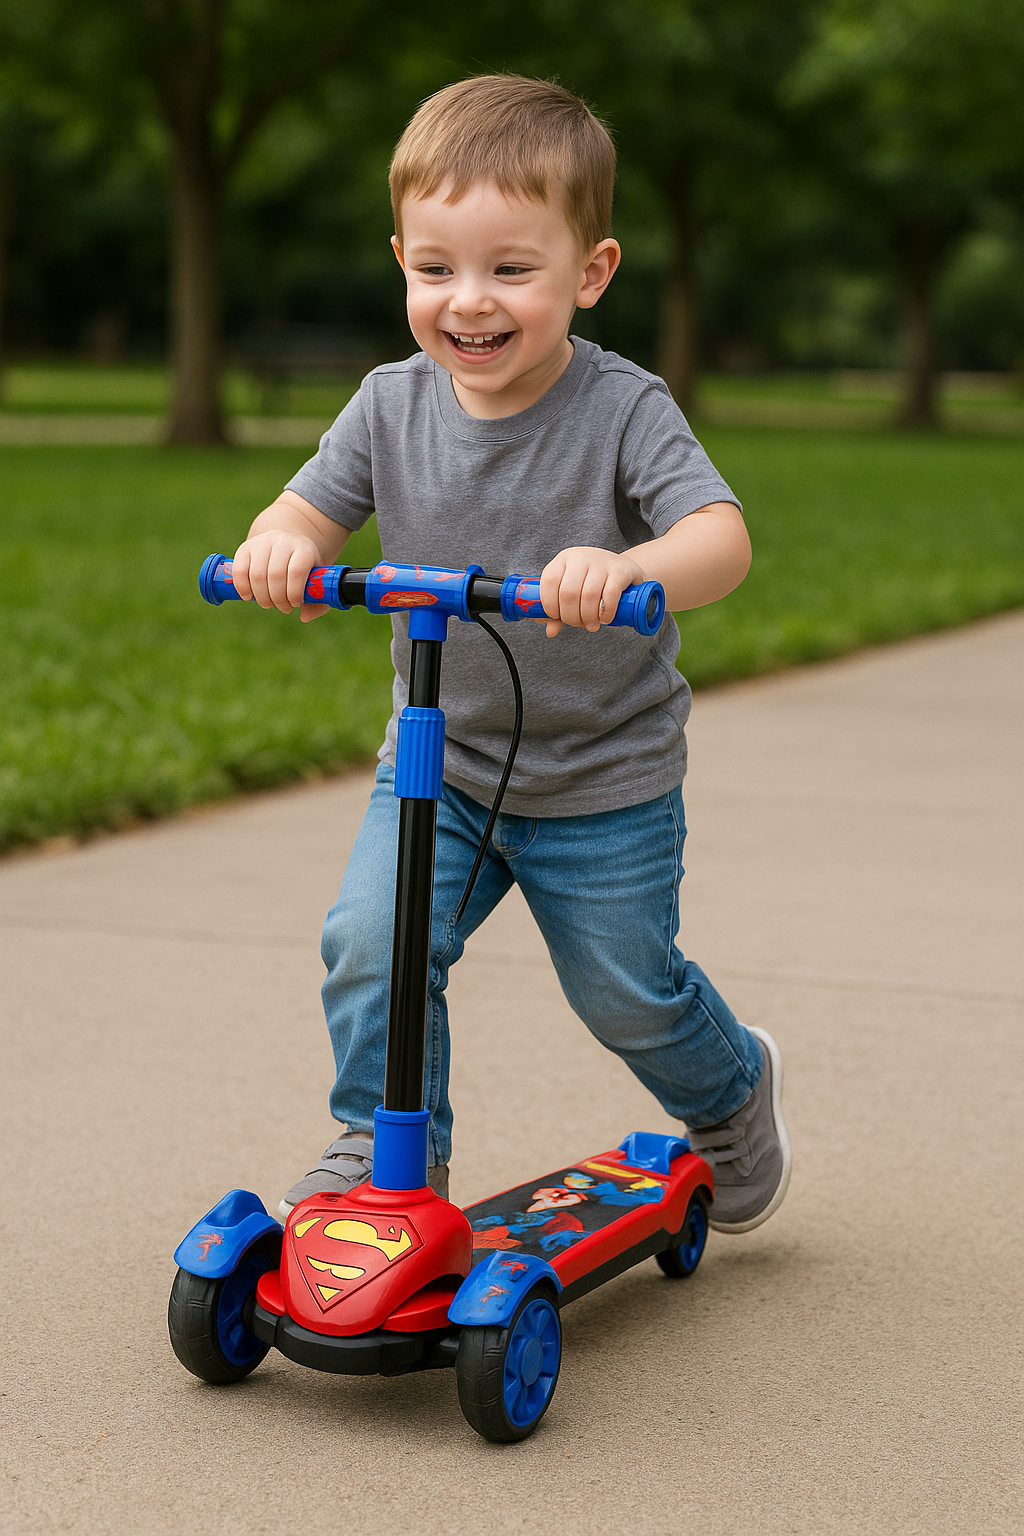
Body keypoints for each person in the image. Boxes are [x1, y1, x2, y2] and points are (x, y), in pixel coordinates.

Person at [229, 74, 791, 1235]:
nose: (467, 302)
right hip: (445, 764)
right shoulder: (387, 407)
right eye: (435, 270)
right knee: (370, 947)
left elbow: (720, 539)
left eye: (509, 270)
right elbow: (303, 510)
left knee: (626, 996)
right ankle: (387, 1164)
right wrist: (276, 548)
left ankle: (730, 1091)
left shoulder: (624, 410)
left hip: (604, 781)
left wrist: (630, 570)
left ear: (589, 273)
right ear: (401, 262)